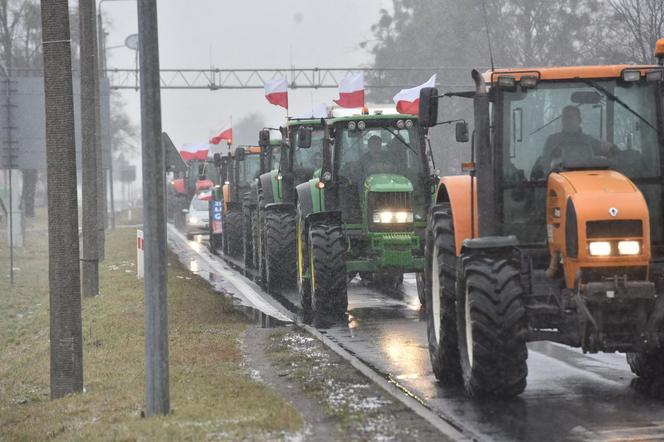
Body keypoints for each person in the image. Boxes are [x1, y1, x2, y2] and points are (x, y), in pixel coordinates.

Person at [531, 105, 612, 180]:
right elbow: (545, 162)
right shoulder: (552, 140)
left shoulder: (589, 140)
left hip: (585, 181)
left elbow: (610, 153)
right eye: (564, 118)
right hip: (559, 181)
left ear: (579, 120)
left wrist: (607, 147)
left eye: (570, 117)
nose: (567, 121)